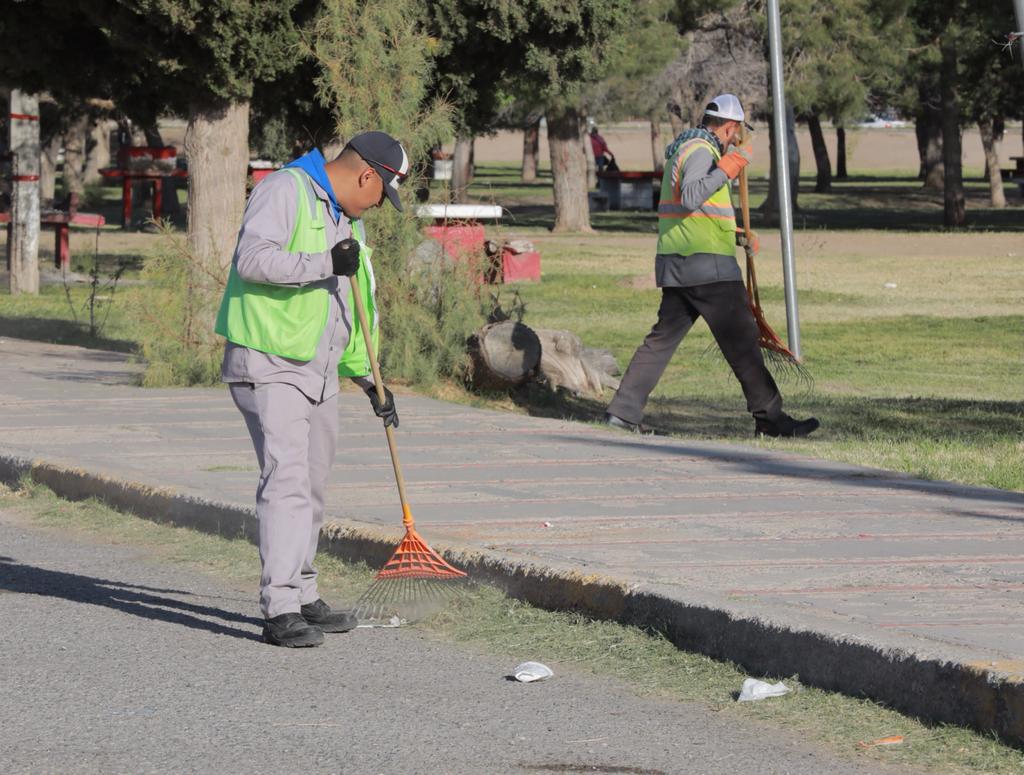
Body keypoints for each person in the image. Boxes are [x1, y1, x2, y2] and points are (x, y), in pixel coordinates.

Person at [214, 131, 409, 647]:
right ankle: (279, 610)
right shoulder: (285, 189)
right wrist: (324, 263)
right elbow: (252, 260)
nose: (378, 206)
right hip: (269, 360)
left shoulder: (348, 219)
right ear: (367, 175)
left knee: (312, 487)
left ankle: (302, 592)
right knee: (287, 483)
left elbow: (351, 305)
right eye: (380, 194)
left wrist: (370, 380)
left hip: (318, 371)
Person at [604, 94, 819, 439]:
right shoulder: (702, 151)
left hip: (680, 262)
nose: (735, 139)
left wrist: (735, 234)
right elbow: (691, 195)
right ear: (729, 127)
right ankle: (770, 418)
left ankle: (622, 412)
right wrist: (730, 166)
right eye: (735, 132)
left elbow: (695, 211)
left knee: (660, 341)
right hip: (708, 269)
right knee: (744, 343)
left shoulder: (685, 147)